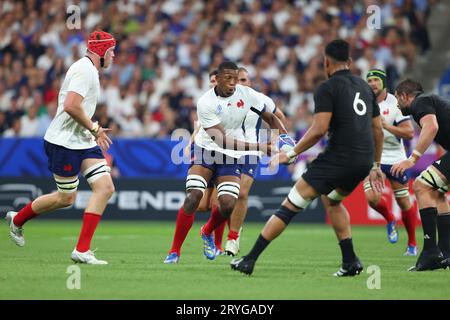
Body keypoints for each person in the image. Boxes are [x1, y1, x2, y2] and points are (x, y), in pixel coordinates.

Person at [231, 39, 385, 277]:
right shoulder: (365, 88)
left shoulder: (328, 88)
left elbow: (318, 129)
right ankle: (350, 261)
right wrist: (375, 165)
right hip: (363, 160)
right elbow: (377, 130)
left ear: (326, 62)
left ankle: (249, 260)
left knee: (290, 205)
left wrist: (291, 153)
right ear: (350, 62)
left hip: (338, 158)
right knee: (332, 201)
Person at [5, 31, 116, 265]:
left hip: (82, 140)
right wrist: (95, 129)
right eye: (111, 51)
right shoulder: (84, 70)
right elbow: (71, 106)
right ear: (101, 52)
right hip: (63, 142)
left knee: (105, 188)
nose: (114, 55)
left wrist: (91, 132)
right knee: (66, 198)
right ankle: (18, 220)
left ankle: (82, 250)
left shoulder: (89, 70)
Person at [164, 61, 286, 264]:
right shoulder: (205, 102)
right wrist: (259, 147)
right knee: (194, 197)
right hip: (206, 150)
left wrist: (286, 143)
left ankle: (207, 231)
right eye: (228, 78)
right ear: (217, 79)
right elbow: (220, 140)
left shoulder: (248, 95)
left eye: (235, 79)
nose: (232, 83)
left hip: (231, 156)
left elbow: (273, 118)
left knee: (229, 204)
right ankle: (174, 251)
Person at [223, 67, 287, 256]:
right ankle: (223, 231)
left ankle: (233, 237)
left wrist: (276, 143)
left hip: (252, 150)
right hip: (229, 149)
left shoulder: (259, 99)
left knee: (242, 193)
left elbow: (279, 117)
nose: (241, 83)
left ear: (249, 82)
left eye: (244, 80)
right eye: (238, 80)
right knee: (227, 197)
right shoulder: (225, 99)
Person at [391, 79, 450, 271]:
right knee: (436, 192)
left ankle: (431, 253)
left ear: (404, 95)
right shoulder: (430, 102)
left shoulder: (420, 102)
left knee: (421, 185)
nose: (397, 106)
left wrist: (412, 159)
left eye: (397, 99)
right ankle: (445, 252)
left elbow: (431, 128)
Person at [364, 69, 417, 255]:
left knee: (404, 202)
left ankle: (412, 244)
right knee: (372, 198)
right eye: (369, 80)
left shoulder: (395, 103)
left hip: (395, 159)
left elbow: (409, 132)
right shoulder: (362, 103)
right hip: (372, 159)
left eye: (376, 80)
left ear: (384, 83)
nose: (372, 83)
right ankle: (390, 219)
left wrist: (386, 126)